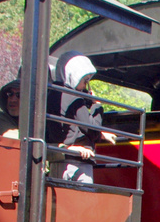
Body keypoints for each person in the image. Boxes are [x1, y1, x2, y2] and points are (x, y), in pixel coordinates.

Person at [47, 52, 116, 184]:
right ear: (74, 76)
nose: (86, 86)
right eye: (85, 81)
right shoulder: (74, 98)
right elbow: (92, 130)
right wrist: (97, 106)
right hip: (78, 163)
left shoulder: (52, 96)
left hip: (57, 161)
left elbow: (73, 128)